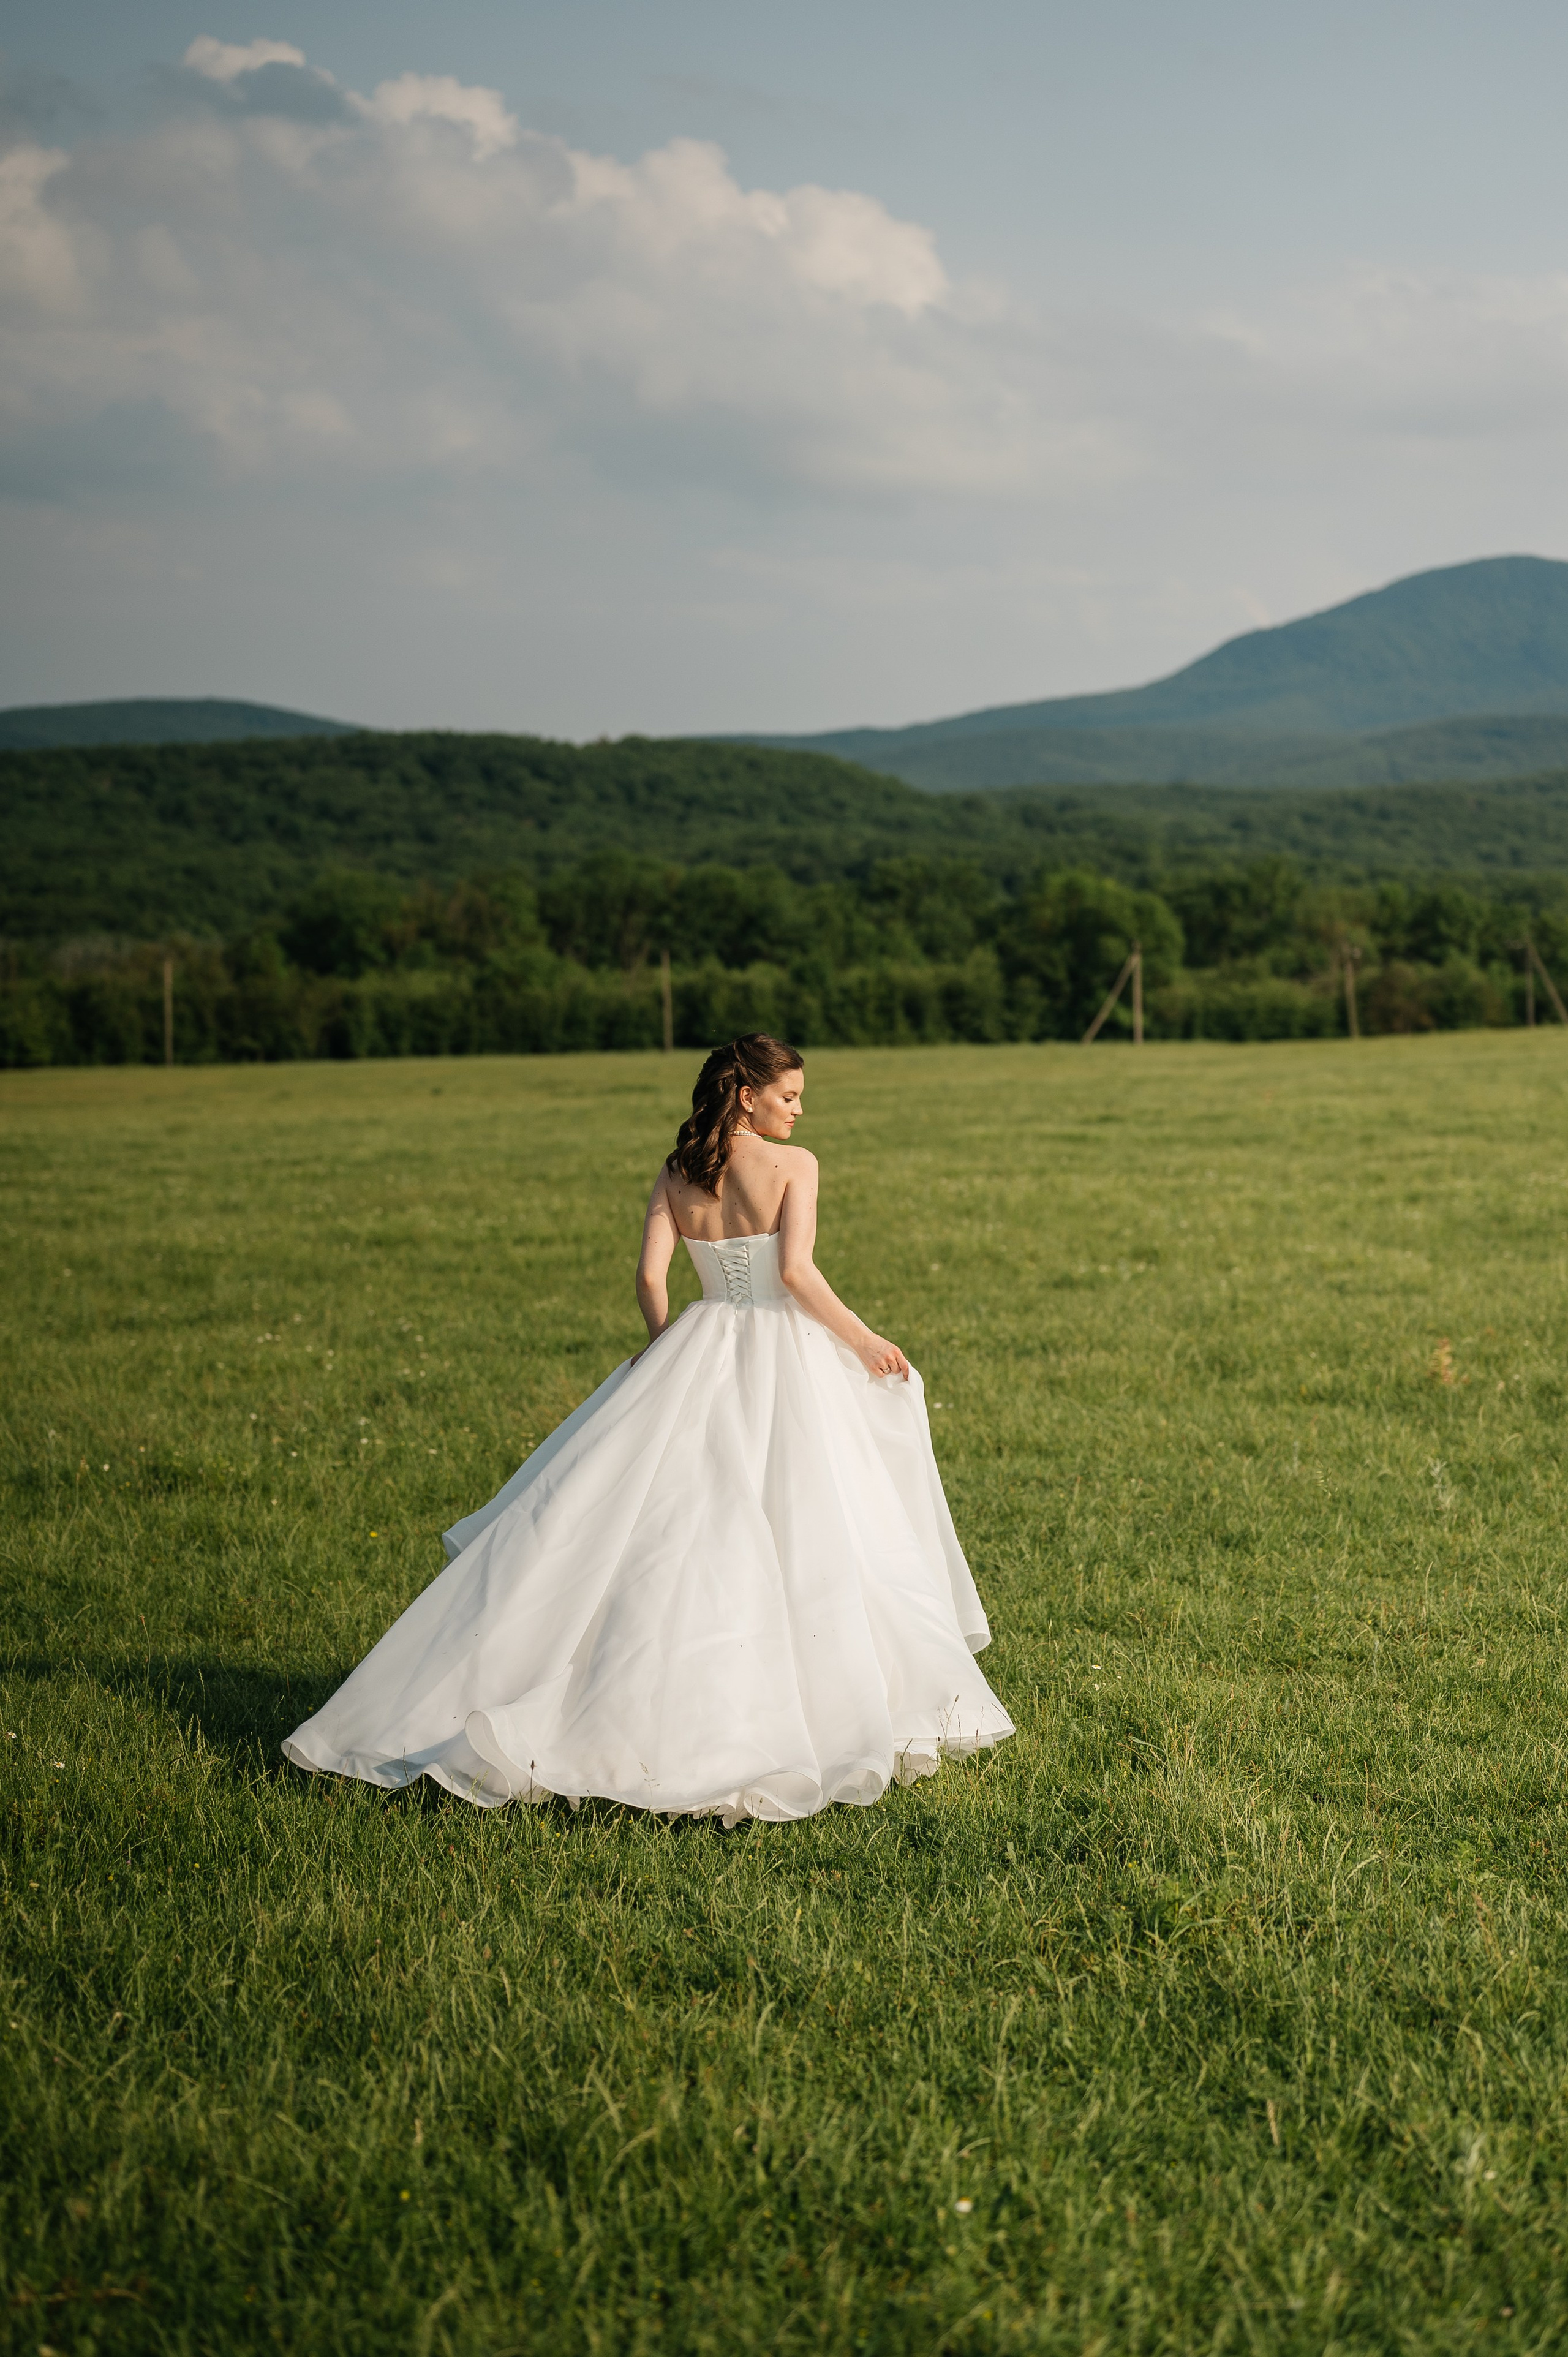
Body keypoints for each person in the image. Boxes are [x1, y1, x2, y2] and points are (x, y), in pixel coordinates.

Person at [283, 1033, 1013, 1823]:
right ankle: (798, 1709)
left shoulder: (677, 1173)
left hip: (699, 1341)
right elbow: (795, 1274)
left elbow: (649, 1277)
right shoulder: (794, 1168)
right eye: (790, 1096)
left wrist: (672, 1349)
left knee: (667, 1526)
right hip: (781, 1348)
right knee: (807, 1517)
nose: (800, 1111)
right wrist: (865, 1341)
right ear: (747, 1095)